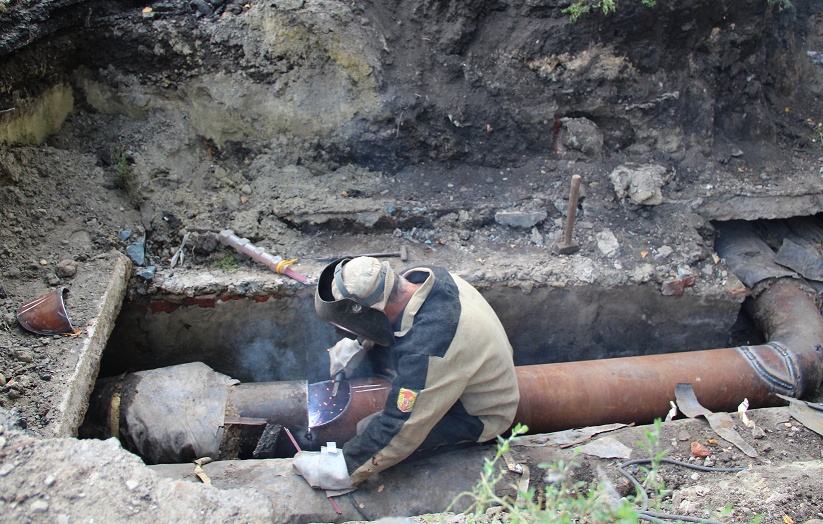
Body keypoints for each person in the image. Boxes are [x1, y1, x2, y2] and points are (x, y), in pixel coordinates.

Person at [292, 256, 520, 491]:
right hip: (471, 364)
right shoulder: (421, 277)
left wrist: (342, 469)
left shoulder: (430, 346)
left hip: (477, 414)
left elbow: (399, 427)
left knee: (369, 426)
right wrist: (358, 344)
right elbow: (383, 316)